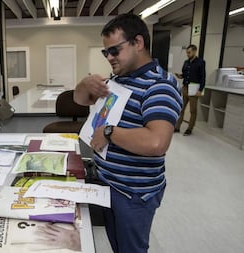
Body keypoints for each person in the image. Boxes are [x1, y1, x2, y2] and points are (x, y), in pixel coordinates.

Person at [74, 13, 182, 253]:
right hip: (108, 183)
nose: (109, 57)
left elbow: (157, 142)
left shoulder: (159, 85)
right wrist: (84, 84)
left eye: (115, 50)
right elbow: (80, 99)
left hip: (133, 193)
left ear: (139, 43)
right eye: (106, 53)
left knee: (131, 249)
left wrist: (109, 132)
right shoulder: (118, 79)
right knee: (117, 245)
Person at [174, 44, 206, 136]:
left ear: (195, 51)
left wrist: (200, 89)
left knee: (193, 110)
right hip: (185, 88)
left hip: (194, 88)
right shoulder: (186, 62)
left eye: (189, 52)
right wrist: (180, 76)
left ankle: (189, 128)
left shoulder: (201, 62)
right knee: (181, 108)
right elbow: (184, 74)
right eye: (187, 53)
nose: (187, 54)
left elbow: (203, 77)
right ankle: (177, 127)